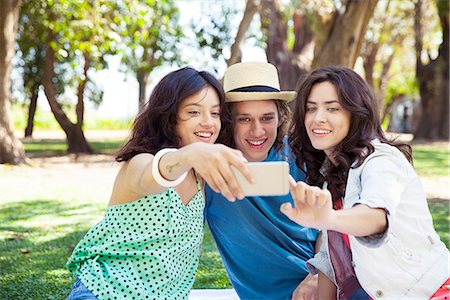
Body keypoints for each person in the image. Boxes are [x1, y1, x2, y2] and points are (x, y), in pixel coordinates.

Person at [66, 66, 253, 299]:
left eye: (215, 113)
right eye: (194, 112)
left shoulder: (202, 177)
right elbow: (153, 176)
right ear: (170, 116)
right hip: (104, 291)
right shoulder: (139, 163)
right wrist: (190, 154)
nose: (208, 123)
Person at [282, 66, 450, 299]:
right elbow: (332, 260)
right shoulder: (332, 176)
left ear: (356, 113)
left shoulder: (381, 160)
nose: (318, 118)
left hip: (430, 292)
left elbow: (375, 216)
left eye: (332, 108)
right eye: (311, 109)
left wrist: (329, 218)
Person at [204, 62, 319, 300]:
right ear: (228, 121)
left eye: (267, 118)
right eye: (244, 119)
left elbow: (334, 227)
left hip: (320, 286)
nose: (257, 131)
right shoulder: (209, 169)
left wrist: (319, 274)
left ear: (280, 117)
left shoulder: (304, 155)